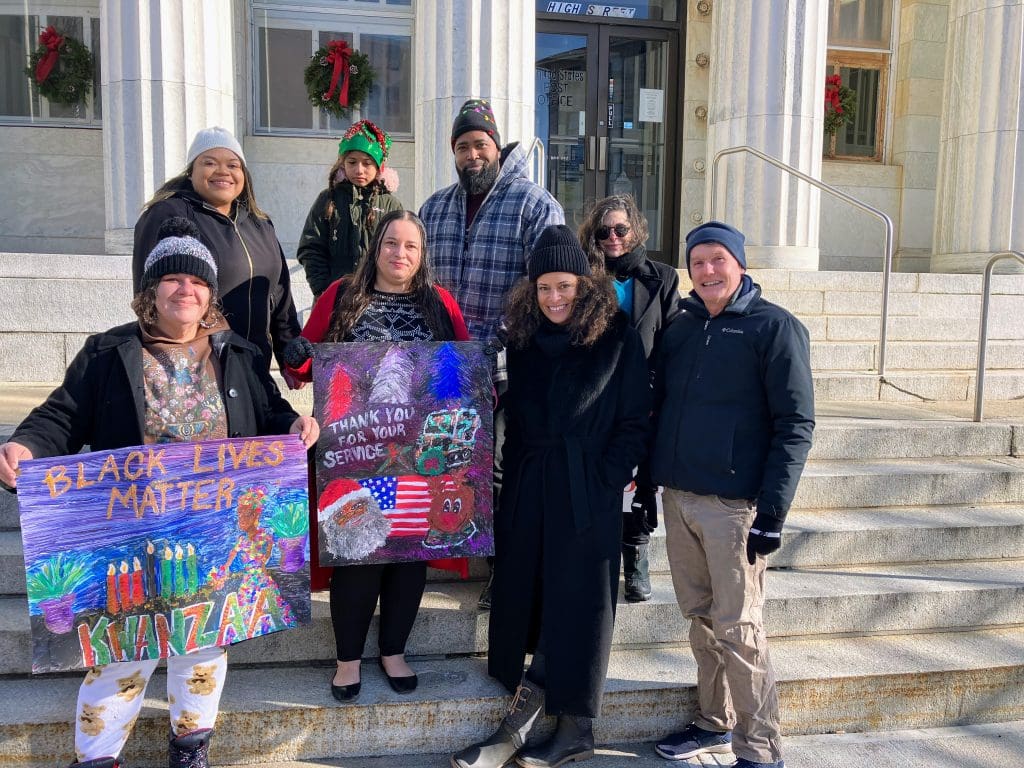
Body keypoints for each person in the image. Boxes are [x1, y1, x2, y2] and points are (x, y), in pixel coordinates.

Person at [0, 218, 319, 768]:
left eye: (196, 281)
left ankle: (190, 752)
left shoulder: (239, 353)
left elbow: (269, 411)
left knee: (203, 649)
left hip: (214, 532)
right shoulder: (108, 352)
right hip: (132, 533)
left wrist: (293, 425)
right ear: (151, 291)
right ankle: (96, 759)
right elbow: (62, 417)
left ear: (210, 293)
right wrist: (26, 445)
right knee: (121, 655)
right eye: (172, 278)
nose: (185, 290)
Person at [451, 225, 651, 768]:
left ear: (584, 285)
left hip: (587, 487)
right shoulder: (523, 339)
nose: (554, 297)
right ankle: (527, 703)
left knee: (580, 599)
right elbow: (514, 419)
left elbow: (636, 418)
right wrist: (507, 484)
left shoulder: (617, 336)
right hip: (529, 482)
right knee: (532, 588)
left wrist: (606, 477)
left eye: (564, 285)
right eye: (544, 287)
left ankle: (571, 726)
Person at [283, 210, 470, 702]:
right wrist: (297, 353)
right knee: (356, 552)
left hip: (419, 453)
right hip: (352, 451)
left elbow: (461, 368)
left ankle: (393, 651)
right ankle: (347, 659)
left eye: (411, 246)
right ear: (376, 246)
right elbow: (302, 364)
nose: (399, 254)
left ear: (422, 254)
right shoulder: (342, 294)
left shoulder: (440, 303)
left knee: (408, 554)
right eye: (391, 243)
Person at [648, 222, 814, 768]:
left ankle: (760, 749)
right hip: (679, 498)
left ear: (740, 264)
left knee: (740, 628)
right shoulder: (681, 328)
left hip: (734, 509)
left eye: (718, 259)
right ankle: (714, 720)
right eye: (697, 262)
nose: (707, 270)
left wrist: (773, 513)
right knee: (701, 619)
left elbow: (795, 424)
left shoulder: (775, 328)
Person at [419, 98, 564, 608]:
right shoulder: (433, 208)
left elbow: (546, 288)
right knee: (448, 462)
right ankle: (446, 546)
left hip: (506, 366)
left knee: (501, 471)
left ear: (497, 147)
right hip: (443, 367)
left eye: (480, 144)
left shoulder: (534, 205)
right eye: (463, 146)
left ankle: (504, 571)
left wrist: (496, 341)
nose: (472, 154)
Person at [132, 126, 302, 379]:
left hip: (254, 366)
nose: (223, 171)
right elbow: (148, 295)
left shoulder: (260, 224)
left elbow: (279, 295)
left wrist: (290, 355)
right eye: (209, 162)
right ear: (191, 171)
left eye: (233, 165)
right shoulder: (169, 214)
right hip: (199, 370)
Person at [578, 194, 681, 603]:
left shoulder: (663, 277)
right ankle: (598, 556)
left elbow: (671, 337)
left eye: (621, 229)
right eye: (604, 231)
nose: (613, 238)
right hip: (596, 396)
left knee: (641, 481)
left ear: (636, 230)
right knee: (601, 475)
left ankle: (636, 555)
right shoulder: (585, 277)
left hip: (644, 395)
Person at [296, 119, 403, 300]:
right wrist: (324, 291)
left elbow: (398, 252)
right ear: (342, 163)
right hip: (333, 300)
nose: (359, 170)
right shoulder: (328, 199)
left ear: (379, 166)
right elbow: (311, 248)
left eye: (367, 163)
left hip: (378, 301)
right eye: (352, 162)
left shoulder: (390, 205)